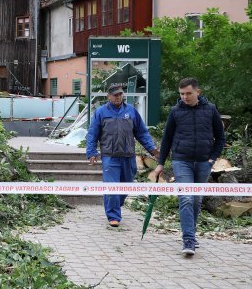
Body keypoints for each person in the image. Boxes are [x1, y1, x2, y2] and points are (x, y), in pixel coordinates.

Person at [153, 78, 225, 256]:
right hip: (181, 160)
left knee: (195, 200)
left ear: (197, 92)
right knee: (185, 198)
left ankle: (191, 234)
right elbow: (167, 139)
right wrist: (161, 163)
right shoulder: (176, 111)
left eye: (188, 93)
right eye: (182, 94)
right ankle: (189, 240)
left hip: (203, 162)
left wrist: (211, 159)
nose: (185, 97)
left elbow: (220, 138)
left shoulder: (210, 109)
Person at [86, 84, 159, 227]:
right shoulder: (101, 112)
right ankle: (113, 215)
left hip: (128, 155)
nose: (118, 97)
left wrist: (153, 149)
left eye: (120, 94)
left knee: (126, 185)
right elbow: (92, 133)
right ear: (108, 96)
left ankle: (114, 204)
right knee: (111, 186)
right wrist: (91, 152)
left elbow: (142, 132)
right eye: (115, 95)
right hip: (110, 156)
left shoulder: (131, 111)